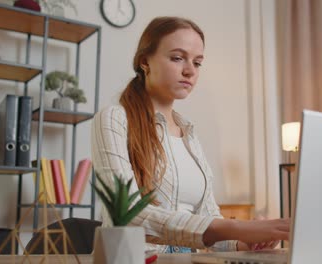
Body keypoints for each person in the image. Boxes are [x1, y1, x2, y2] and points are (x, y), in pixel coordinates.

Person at [91, 16, 289, 254]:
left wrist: (242, 242)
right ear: (145, 61)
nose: (189, 71)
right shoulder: (114, 119)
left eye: (197, 63)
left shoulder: (189, 135)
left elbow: (208, 220)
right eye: (177, 58)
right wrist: (236, 227)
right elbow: (127, 214)